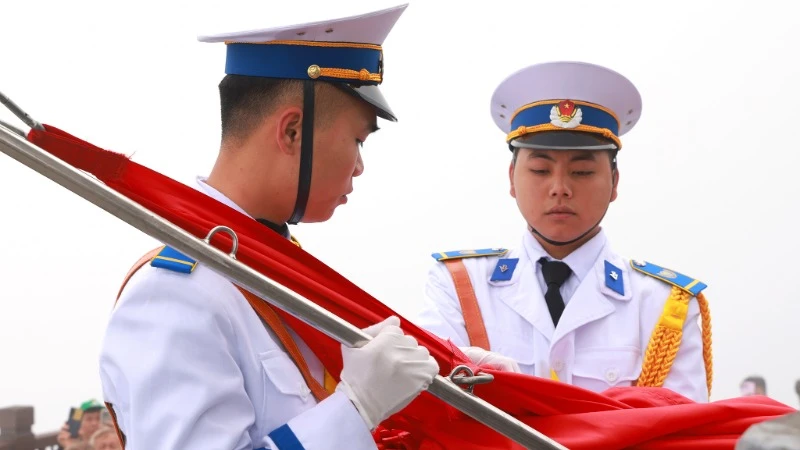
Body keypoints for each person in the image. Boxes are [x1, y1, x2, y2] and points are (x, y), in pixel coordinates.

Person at [98, 5, 446, 449]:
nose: (359, 166)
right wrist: (356, 409)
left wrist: (439, 375)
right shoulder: (174, 294)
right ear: (292, 132)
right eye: (358, 140)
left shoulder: (267, 267)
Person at [415, 61, 713, 403]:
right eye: (541, 169)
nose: (560, 188)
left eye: (583, 172)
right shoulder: (460, 284)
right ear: (512, 178)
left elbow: (682, 428)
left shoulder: (663, 304)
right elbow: (427, 405)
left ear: (614, 183)